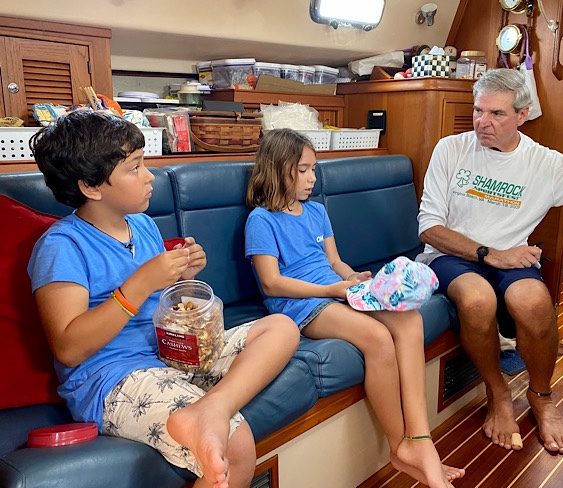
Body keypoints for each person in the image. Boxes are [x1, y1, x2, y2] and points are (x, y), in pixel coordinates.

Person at [27, 111, 300, 488]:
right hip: (113, 379)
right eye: (135, 167)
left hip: (169, 351)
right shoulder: (62, 246)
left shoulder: (142, 225)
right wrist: (140, 284)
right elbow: (69, 348)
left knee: (282, 328)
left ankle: (213, 408)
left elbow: (166, 308)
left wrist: (184, 278)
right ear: (91, 186)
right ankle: (210, 417)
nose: (149, 176)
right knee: (235, 446)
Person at [417, 68, 563, 455]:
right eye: (478, 111)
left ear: (522, 115)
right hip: (452, 255)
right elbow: (429, 227)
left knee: (535, 303)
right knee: (477, 299)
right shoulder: (451, 149)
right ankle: (498, 393)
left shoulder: (544, 164)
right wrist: (490, 254)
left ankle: (541, 397)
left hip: (512, 256)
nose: (483, 122)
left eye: (497, 113)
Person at [244, 128, 465, 488]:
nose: (312, 178)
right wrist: (330, 289)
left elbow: (334, 261)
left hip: (337, 291)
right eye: (303, 170)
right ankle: (399, 446)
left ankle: (420, 438)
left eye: (314, 169)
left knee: (409, 320)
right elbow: (271, 283)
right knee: (377, 338)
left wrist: (355, 278)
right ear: (278, 169)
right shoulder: (261, 220)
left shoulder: (316, 212)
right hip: (301, 305)